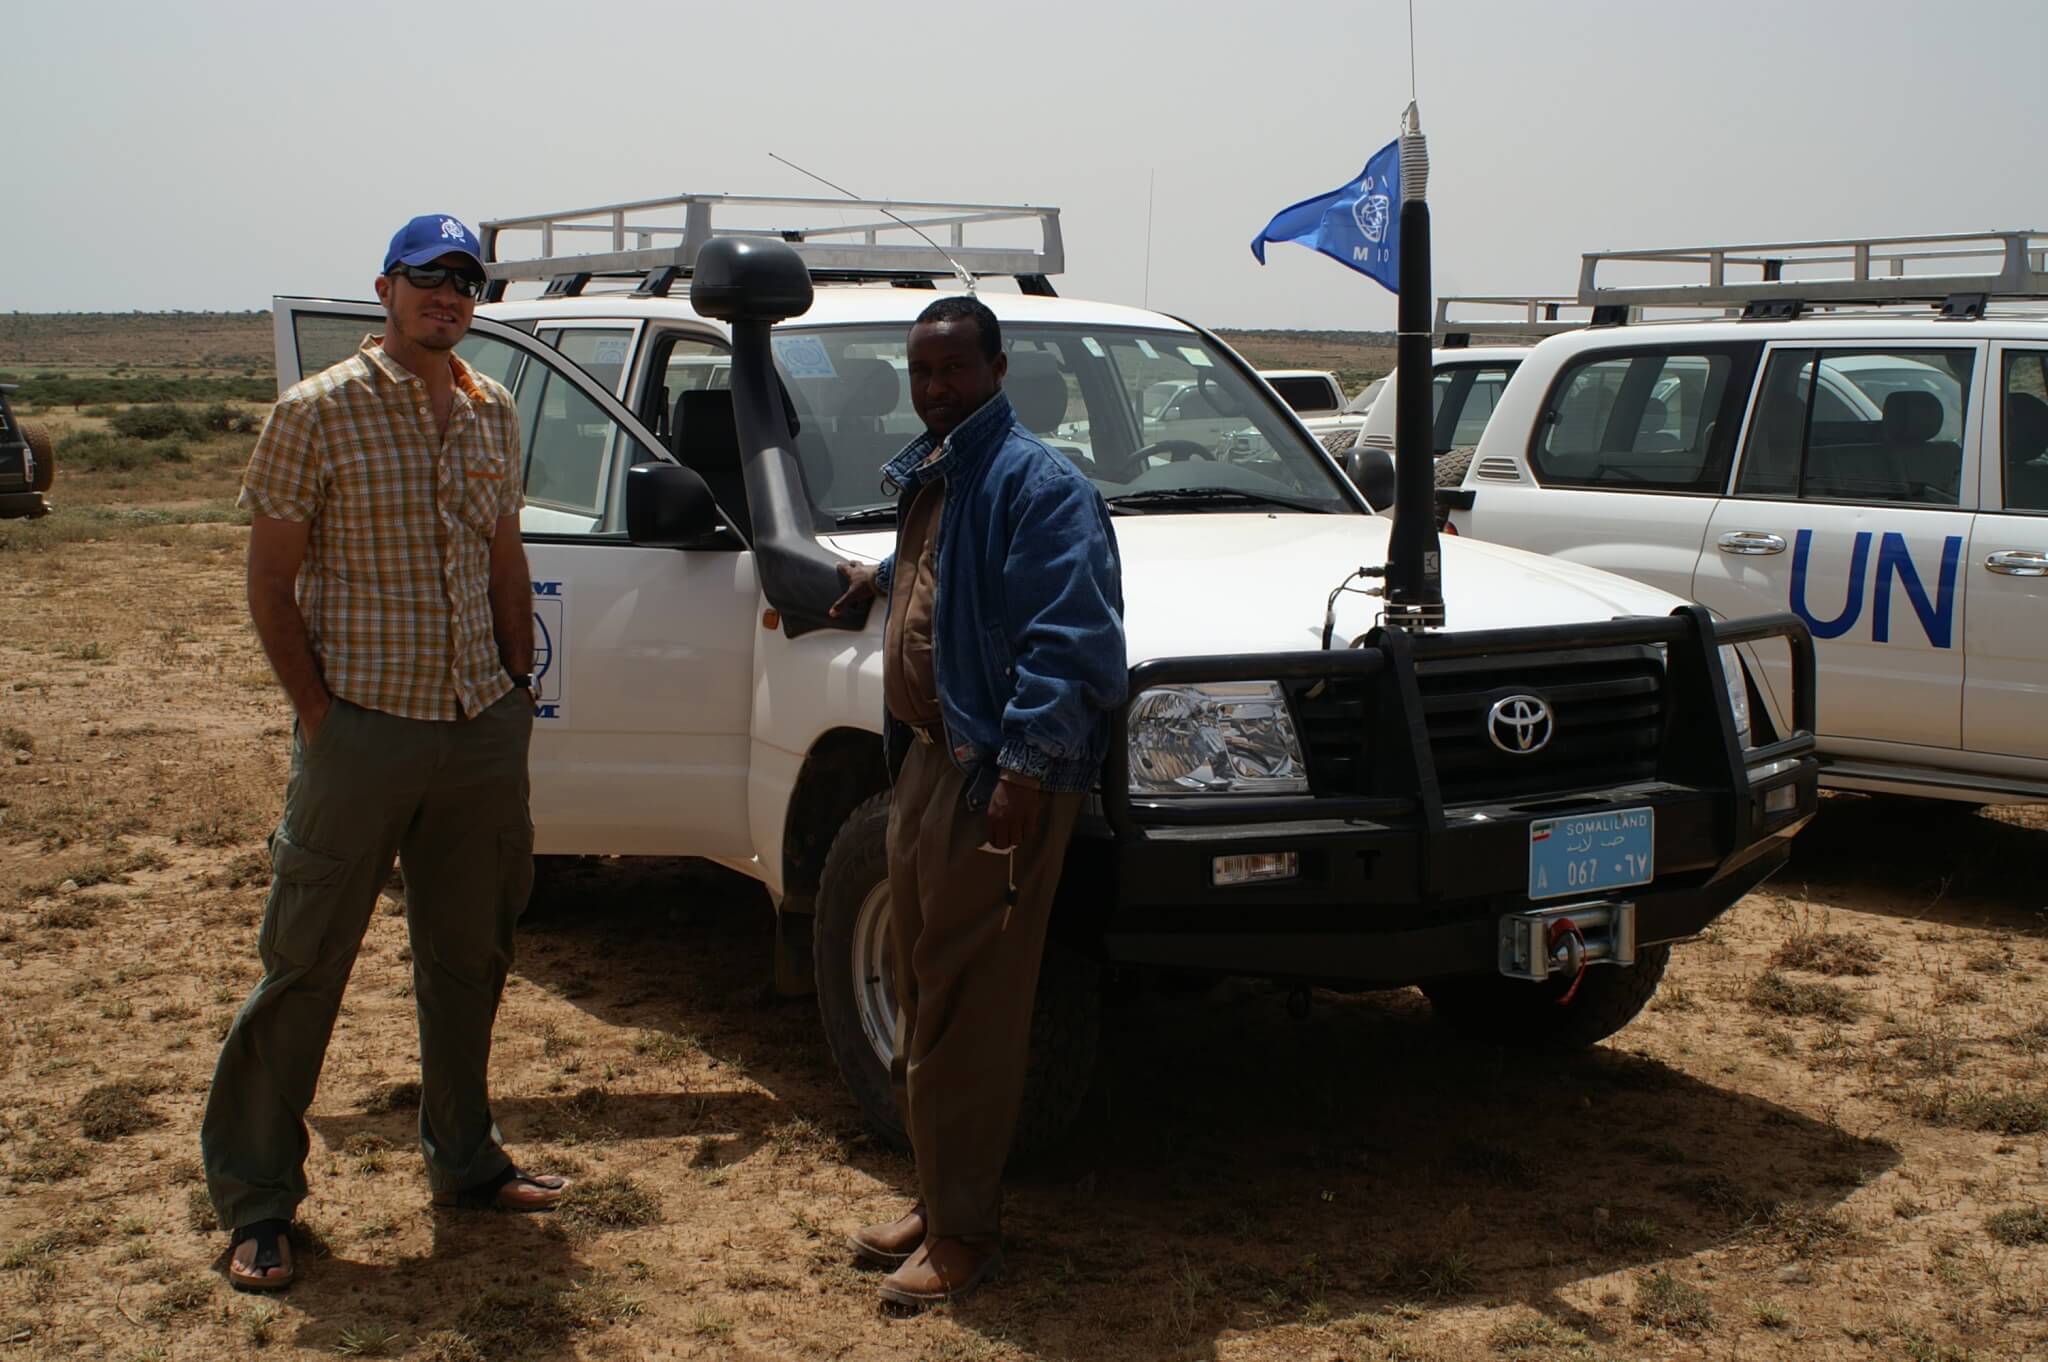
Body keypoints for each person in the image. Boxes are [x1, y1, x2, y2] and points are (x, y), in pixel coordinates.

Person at [201, 214, 566, 1293]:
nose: (446, 296)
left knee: (470, 958)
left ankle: (465, 1159)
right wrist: (317, 712)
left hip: (477, 731)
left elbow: (506, 555)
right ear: (385, 288)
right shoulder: (315, 414)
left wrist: (514, 683)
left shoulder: (492, 410)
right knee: (305, 960)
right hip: (360, 728)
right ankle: (258, 1200)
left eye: (464, 281)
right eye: (426, 279)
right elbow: (270, 583)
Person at [830, 296, 1126, 1307]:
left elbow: (1070, 645)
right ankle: (935, 1197)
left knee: (969, 1008)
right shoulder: (939, 474)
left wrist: (1022, 775)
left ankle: (963, 1235)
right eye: (920, 372)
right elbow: (950, 588)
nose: (934, 388)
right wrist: (872, 579)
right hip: (925, 763)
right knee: (924, 992)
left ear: (997, 370)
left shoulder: (1037, 486)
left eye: (952, 370)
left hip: (993, 779)